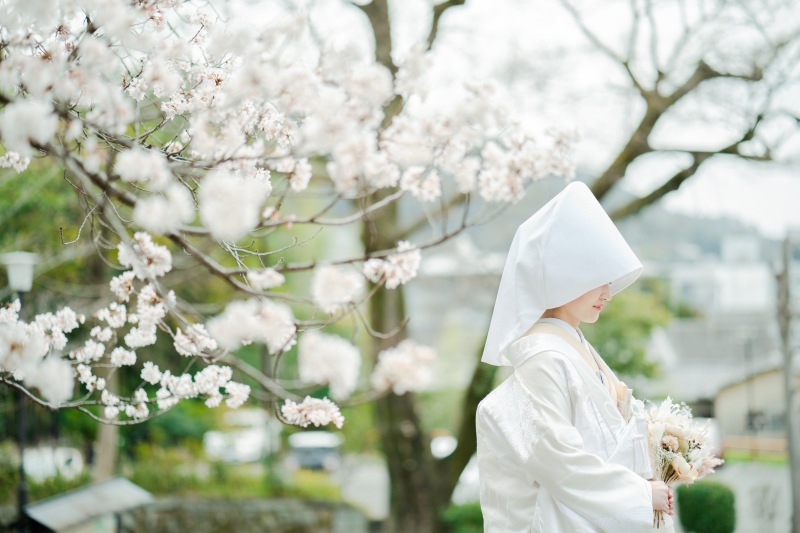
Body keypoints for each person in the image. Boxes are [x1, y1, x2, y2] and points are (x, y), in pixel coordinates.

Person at [476, 182, 674, 532]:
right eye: (597, 278)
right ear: (561, 275)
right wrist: (639, 495)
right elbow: (555, 458)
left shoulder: (568, 346)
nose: (607, 292)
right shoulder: (543, 357)